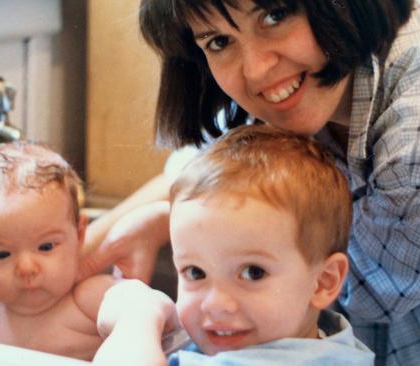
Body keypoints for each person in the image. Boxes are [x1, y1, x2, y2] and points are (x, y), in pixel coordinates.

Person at [0, 0, 420, 364]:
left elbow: (352, 290)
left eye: (275, 13)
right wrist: (55, 258)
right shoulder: (292, 82)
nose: (254, 71)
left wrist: (141, 317)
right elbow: (197, 172)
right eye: (218, 41)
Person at [93, 124, 373, 366]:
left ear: (323, 282)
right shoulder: (329, 346)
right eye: (195, 273)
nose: (216, 305)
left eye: (253, 272)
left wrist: (137, 317)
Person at [0, 141, 114, 361]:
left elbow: (144, 309)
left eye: (45, 247)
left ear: (80, 234)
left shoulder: (90, 298)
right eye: (1, 254)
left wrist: (134, 334)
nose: (25, 269)